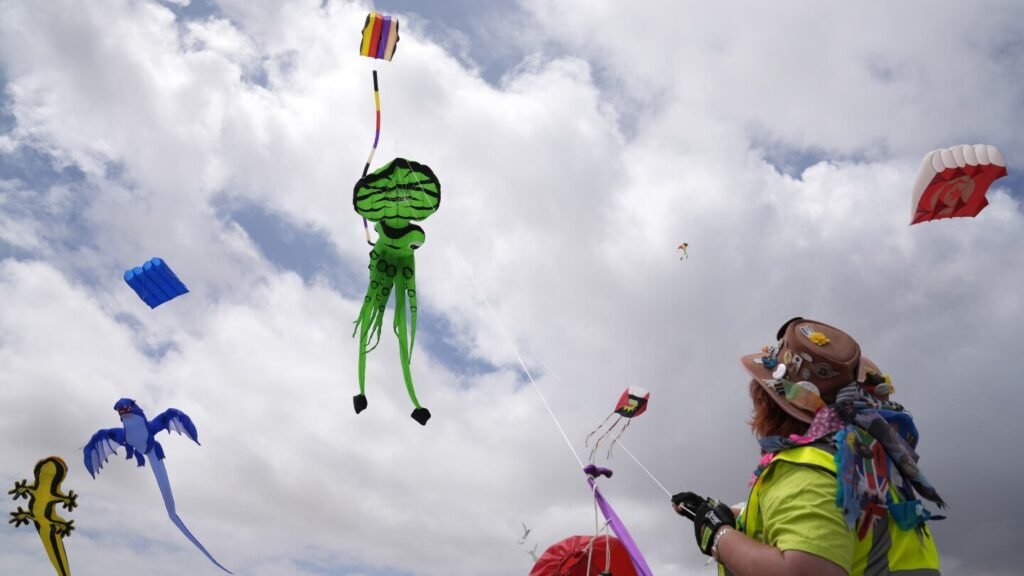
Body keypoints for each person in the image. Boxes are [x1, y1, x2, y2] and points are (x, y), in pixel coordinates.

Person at [672, 317, 943, 576]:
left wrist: (719, 536)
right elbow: (832, 525)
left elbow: (806, 569)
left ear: (769, 403)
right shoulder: (863, 462)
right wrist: (730, 515)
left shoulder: (806, 471)